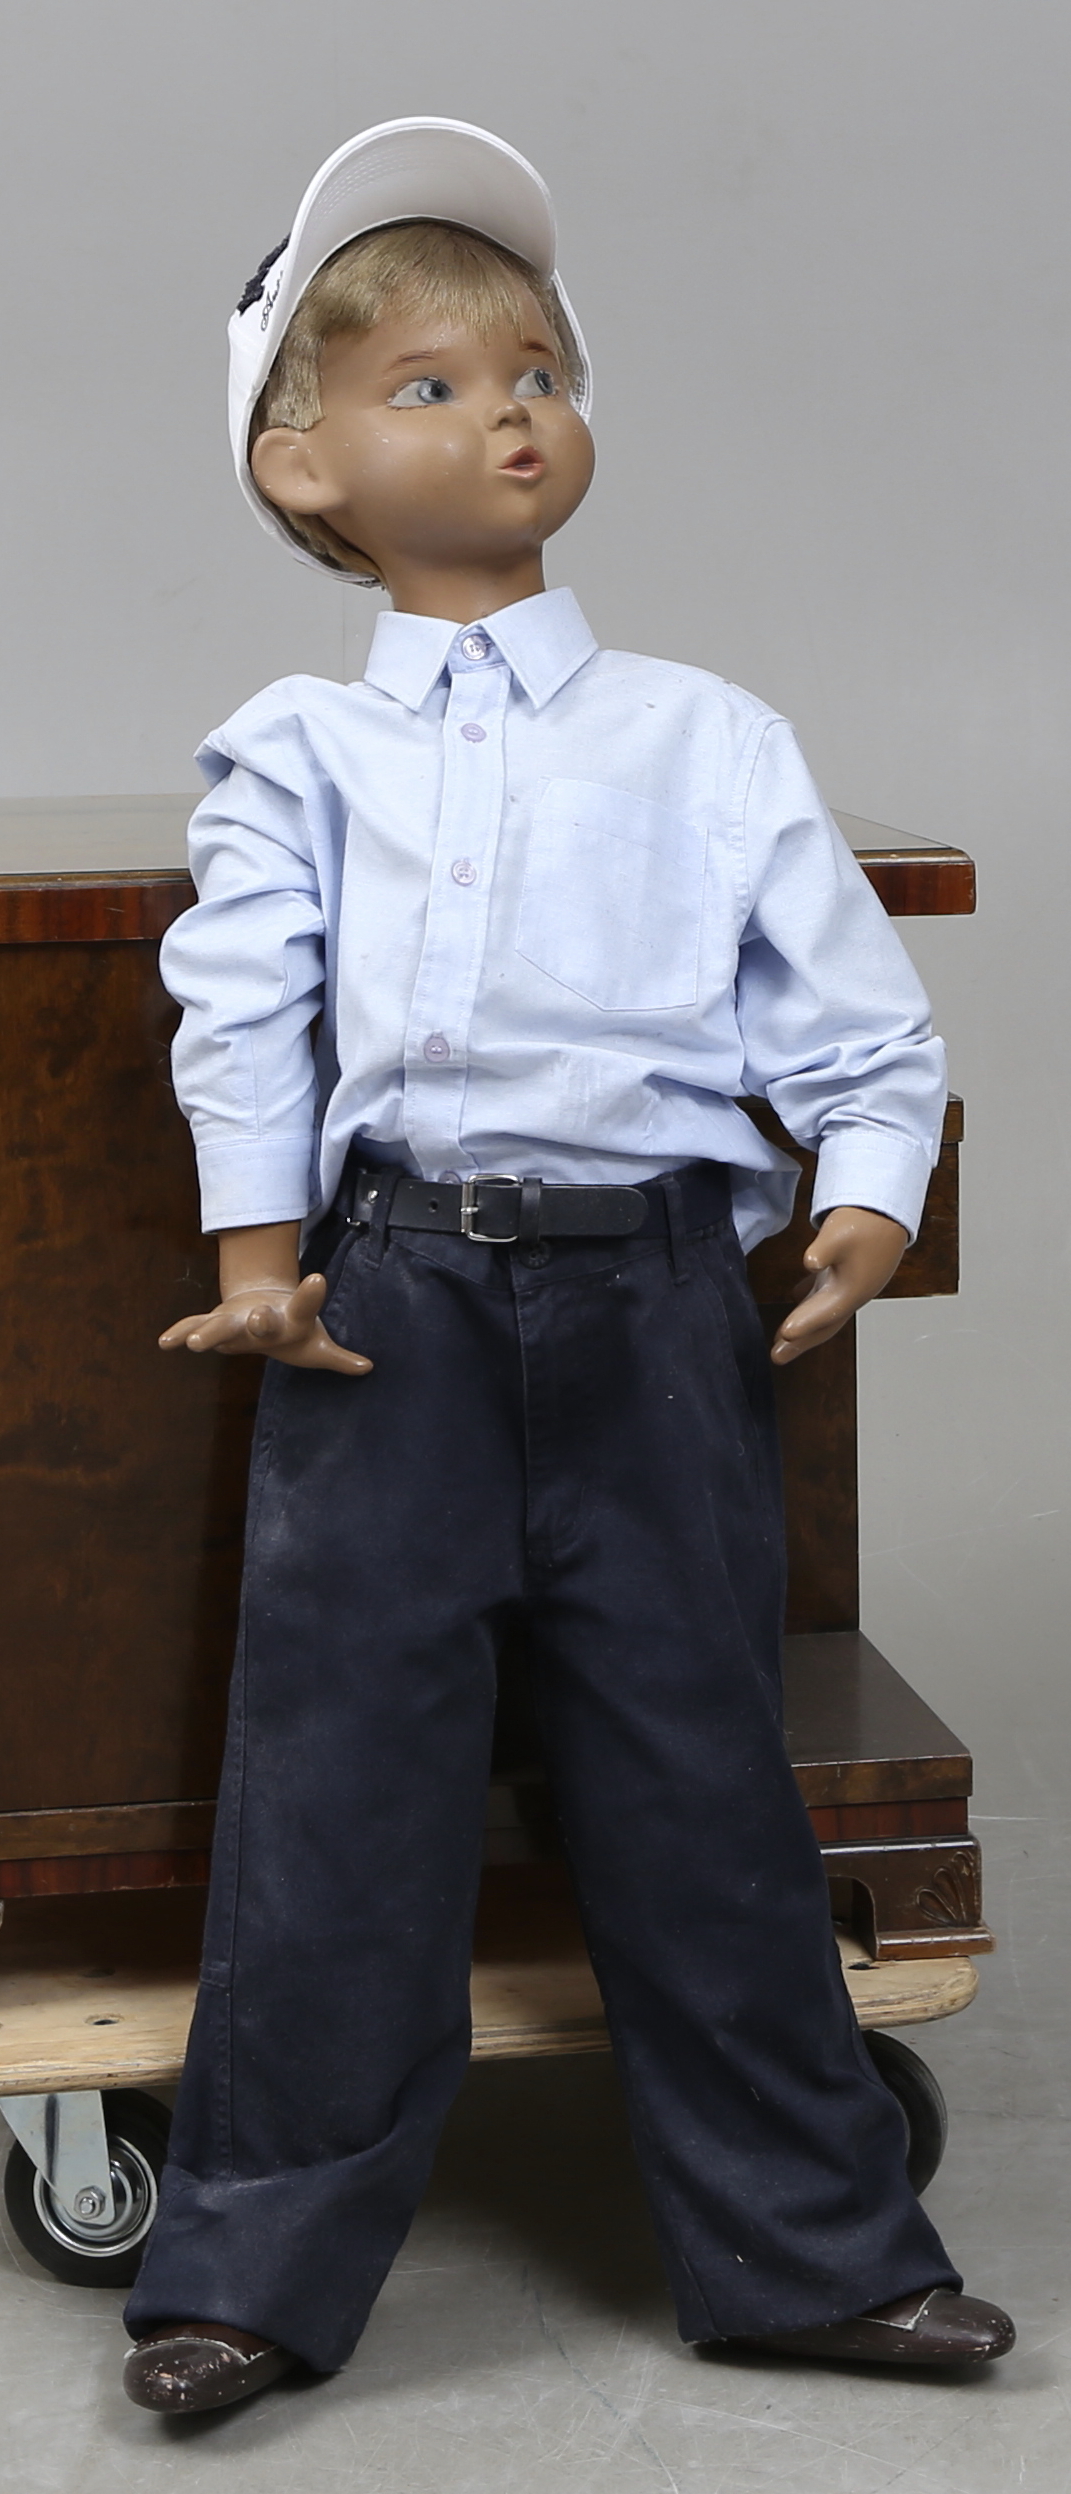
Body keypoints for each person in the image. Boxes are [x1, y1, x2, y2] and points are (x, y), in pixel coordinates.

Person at [122, 118, 1014, 2414]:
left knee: (696, 1770)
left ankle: (803, 2242)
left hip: (649, 1314)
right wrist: (259, 1254)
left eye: (535, 370)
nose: (506, 410)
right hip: (384, 1313)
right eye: (428, 384)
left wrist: (862, 1194)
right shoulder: (294, 754)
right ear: (301, 464)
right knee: (337, 1786)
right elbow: (244, 1005)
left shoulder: (701, 741)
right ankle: (249, 2267)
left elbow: (852, 1024)